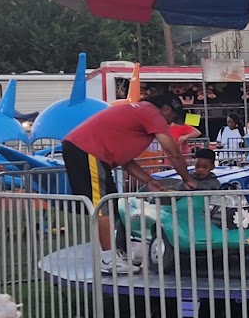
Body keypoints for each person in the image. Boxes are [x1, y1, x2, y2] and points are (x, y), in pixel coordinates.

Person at [61, 85, 192, 270]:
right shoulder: (150, 112)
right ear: (166, 109)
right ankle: (108, 260)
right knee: (102, 205)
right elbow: (172, 151)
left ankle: (115, 252)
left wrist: (148, 180)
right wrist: (187, 178)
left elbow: (126, 160)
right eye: (171, 119)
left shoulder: (138, 115)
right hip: (87, 149)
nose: (170, 124)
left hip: (91, 151)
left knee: (110, 201)